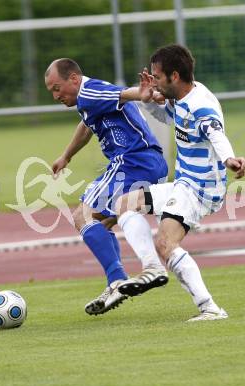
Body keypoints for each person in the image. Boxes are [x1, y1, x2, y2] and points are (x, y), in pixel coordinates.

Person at [115, 44, 245, 321]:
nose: (154, 82)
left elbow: (215, 133)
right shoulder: (182, 98)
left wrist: (229, 159)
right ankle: (152, 267)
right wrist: (149, 100)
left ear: (174, 76)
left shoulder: (201, 105)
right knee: (125, 203)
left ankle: (210, 309)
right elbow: (169, 118)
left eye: (157, 77)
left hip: (200, 188)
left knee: (165, 242)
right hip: (184, 183)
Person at [45, 58, 169, 316]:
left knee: (82, 215)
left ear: (74, 79)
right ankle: (115, 282)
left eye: (57, 88)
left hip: (132, 161)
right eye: (51, 91)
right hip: (149, 163)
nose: (55, 95)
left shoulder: (90, 91)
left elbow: (124, 95)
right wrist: (67, 155)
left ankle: (117, 279)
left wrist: (144, 94)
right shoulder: (88, 101)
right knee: (101, 225)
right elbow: (87, 125)